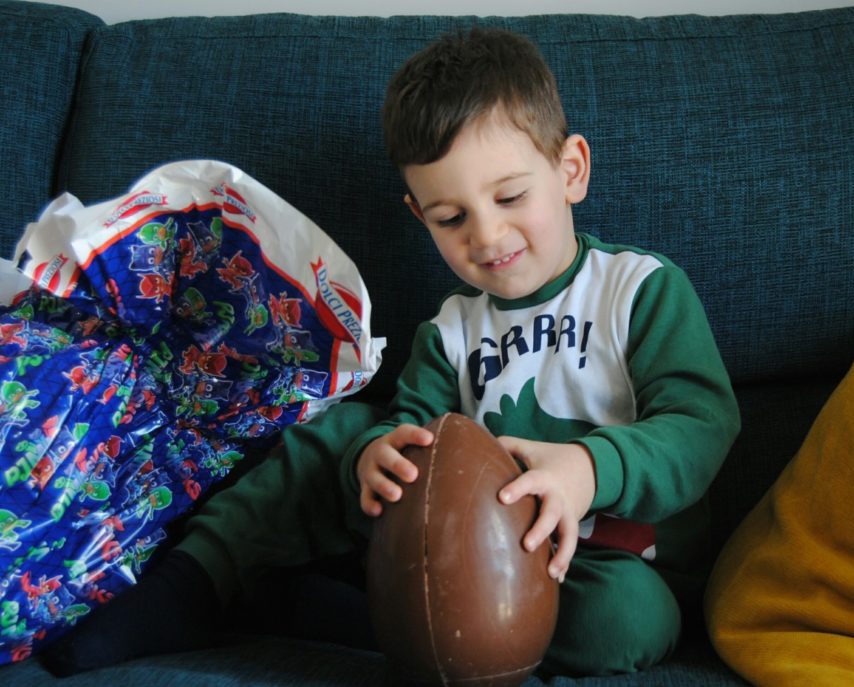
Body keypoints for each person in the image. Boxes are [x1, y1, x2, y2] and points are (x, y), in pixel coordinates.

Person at [42, 27, 740, 678]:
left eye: (511, 195)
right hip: (456, 549)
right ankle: (194, 581)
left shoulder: (640, 290)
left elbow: (703, 424)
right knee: (338, 436)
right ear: (419, 216)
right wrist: (370, 456)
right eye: (451, 217)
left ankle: (353, 616)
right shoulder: (451, 328)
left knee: (626, 620)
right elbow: (408, 426)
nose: (488, 234)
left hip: (598, 565)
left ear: (571, 170)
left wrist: (591, 468)